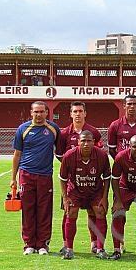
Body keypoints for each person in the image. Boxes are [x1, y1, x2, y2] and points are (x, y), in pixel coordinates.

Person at [11, 101, 60, 255]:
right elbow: (17, 154)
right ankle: (29, 244)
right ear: (31, 113)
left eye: (41, 112)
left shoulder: (53, 129)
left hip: (45, 175)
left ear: (47, 113)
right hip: (26, 174)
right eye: (36, 112)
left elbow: (60, 152)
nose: (38, 115)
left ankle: (43, 245)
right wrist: (13, 178)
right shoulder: (23, 129)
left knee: (45, 211)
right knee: (28, 210)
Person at [107, 94, 136, 253]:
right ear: (124, 106)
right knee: (119, 209)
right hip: (122, 176)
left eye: (135, 103)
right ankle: (119, 243)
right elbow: (112, 149)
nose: (132, 106)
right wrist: (125, 164)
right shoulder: (115, 125)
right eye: (129, 104)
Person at [55, 101, 103, 255]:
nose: (77, 114)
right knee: (69, 211)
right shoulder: (63, 134)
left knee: (92, 212)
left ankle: (94, 244)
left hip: (91, 180)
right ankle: (66, 245)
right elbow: (59, 155)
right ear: (70, 114)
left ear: (85, 113)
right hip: (72, 181)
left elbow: (99, 154)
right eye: (75, 111)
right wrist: (73, 167)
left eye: (80, 111)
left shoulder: (93, 132)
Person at [59, 130, 111, 260]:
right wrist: (65, 198)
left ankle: (100, 248)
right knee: (71, 212)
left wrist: (104, 197)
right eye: (83, 141)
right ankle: (69, 249)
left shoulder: (102, 155)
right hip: (75, 190)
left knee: (99, 211)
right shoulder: (69, 156)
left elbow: (107, 177)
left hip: (95, 190)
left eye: (89, 141)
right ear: (78, 142)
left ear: (94, 142)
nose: (86, 144)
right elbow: (63, 179)